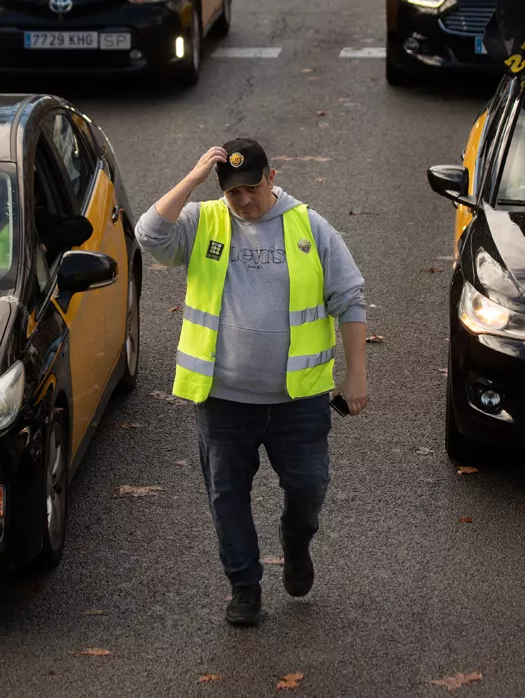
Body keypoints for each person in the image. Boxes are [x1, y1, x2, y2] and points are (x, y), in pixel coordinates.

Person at [136, 140, 368, 627]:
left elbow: (349, 298)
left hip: (298, 400)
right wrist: (194, 177)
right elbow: (150, 236)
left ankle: (296, 541)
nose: (244, 200)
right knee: (227, 497)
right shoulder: (204, 221)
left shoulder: (308, 224)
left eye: (253, 187)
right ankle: (244, 586)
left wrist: (356, 375)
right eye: (233, 191)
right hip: (224, 399)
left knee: (309, 487)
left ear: (272, 176)